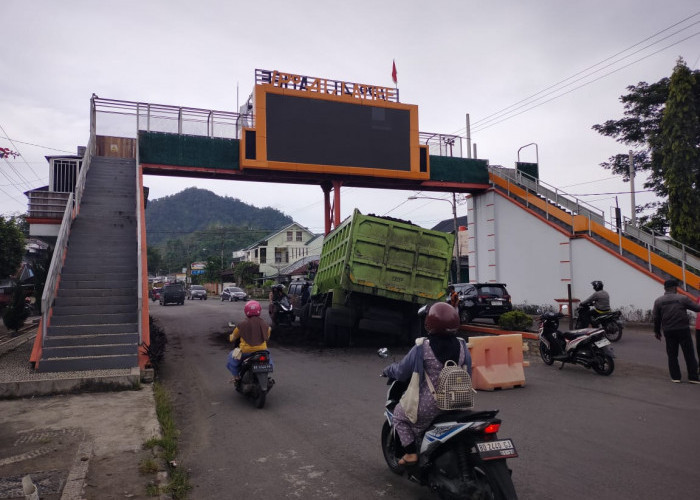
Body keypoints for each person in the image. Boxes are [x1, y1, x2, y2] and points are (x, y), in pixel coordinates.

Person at [382, 302, 471, 466]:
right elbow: (468, 373)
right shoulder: (462, 345)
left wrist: (388, 370)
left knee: (399, 417)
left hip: (431, 405)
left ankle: (410, 453)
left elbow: (402, 372)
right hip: (458, 401)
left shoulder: (422, 347)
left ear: (429, 323)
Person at [652, 279, 700, 384]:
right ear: (675, 288)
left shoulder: (658, 301)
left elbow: (656, 318)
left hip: (668, 331)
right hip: (683, 329)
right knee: (689, 354)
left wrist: (657, 332)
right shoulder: (682, 298)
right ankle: (693, 377)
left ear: (665, 288)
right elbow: (697, 308)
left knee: (672, 354)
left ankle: (675, 377)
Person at [226, 300, 272, 382]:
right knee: (269, 359)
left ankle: (236, 377)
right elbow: (267, 337)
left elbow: (233, 337)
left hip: (245, 351)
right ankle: (266, 374)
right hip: (262, 351)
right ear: (259, 310)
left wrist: (230, 338)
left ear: (246, 311)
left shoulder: (241, 324)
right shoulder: (265, 324)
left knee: (231, 359)